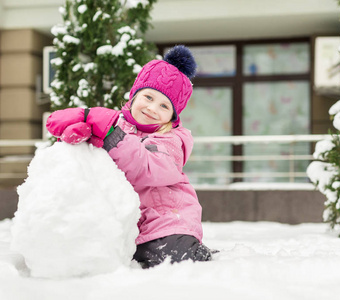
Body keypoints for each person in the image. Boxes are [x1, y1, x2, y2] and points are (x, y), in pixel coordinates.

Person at [46, 45, 214, 268]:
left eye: (164, 105)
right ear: (134, 95)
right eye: (148, 97)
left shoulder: (172, 140)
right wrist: (81, 139)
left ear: (172, 117)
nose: (153, 108)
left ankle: (195, 253)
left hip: (165, 223)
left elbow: (145, 166)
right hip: (124, 223)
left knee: (174, 260)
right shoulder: (113, 124)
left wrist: (109, 134)